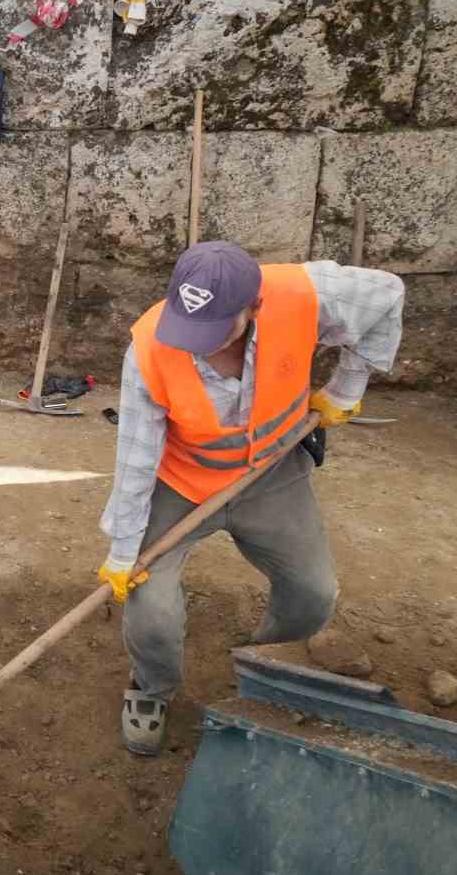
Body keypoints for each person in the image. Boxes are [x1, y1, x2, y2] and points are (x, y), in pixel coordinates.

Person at [96, 242, 404, 756]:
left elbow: (388, 294)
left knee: (313, 594)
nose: (199, 349)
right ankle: (153, 689)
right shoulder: (149, 349)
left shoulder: (303, 294)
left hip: (272, 472)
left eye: (216, 332)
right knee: (150, 609)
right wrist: (124, 550)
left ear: (254, 307)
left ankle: (262, 663)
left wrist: (347, 388)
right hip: (183, 484)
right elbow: (135, 458)